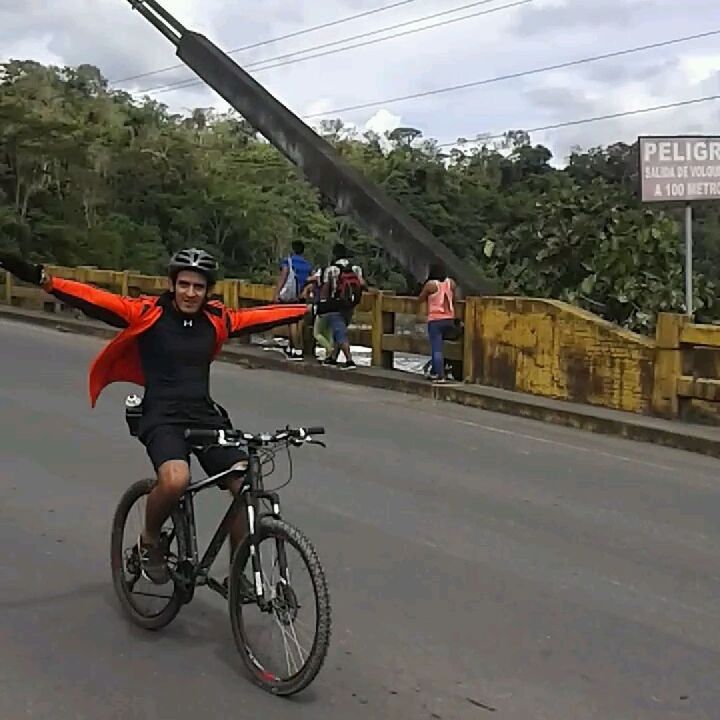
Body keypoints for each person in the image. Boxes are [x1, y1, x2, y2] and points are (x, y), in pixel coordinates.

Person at [0, 248, 308, 584]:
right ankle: (150, 539)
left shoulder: (217, 320)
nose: (191, 293)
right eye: (184, 284)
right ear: (172, 285)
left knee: (244, 484)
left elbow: (266, 316)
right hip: (161, 416)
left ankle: (238, 575)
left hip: (205, 417)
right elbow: (93, 299)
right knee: (175, 480)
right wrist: (42, 279)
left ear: (208, 291)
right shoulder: (147, 313)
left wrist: (314, 308)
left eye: (199, 287)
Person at [318, 242, 366, 370]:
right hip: (350, 305)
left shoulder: (332, 269)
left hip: (335, 304)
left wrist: (322, 303)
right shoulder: (355, 268)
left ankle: (349, 360)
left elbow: (325, 288)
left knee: (340, 332)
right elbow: (362, 284)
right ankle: (332, 358)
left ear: (334, 254)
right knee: (339, 330)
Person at [272, 240, 312, 361]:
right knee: (299, 322)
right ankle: (293, 348)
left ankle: (296, 350)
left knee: (291, 322)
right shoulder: (307, 264)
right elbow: (310, 280)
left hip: (290, 296)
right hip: (302, 296)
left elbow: (283, 278)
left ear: (293, 249)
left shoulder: (288, 262)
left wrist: (276, 294)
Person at [418, 263, 457, 384]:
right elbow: (454, 298)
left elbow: (421, 298)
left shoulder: (430, 285)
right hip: (449, 319)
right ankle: (436, 371)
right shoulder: (451, 283)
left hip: (435, 320)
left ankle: (440, 375)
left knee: (436, 349)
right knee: (445, 347)